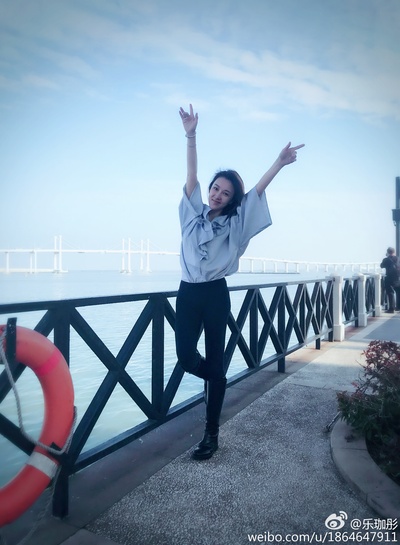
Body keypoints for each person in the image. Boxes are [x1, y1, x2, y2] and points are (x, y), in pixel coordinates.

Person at [175, 103, 304, 460]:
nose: (217, 194)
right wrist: (191, 136)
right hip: (187, 293)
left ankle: (211, 434)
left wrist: (278, 163)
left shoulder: (235, 225)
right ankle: (216, 378)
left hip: (215, 295)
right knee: (186, 357)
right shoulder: (191, 214)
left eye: (225, 193)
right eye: (215, 188)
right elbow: (191, 173)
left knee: (215, 360)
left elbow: (256, 193)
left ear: (232, 200)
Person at [380, 247, 400, 313]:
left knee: (390, 293)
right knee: (398, 292)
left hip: (389, 278)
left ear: (388, 252)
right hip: (398, 278)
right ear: (394, 252)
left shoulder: (386, 260)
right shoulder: (398, 259)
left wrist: (387, 257)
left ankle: (391, 308)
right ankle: (398, 307)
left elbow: (381, 266)